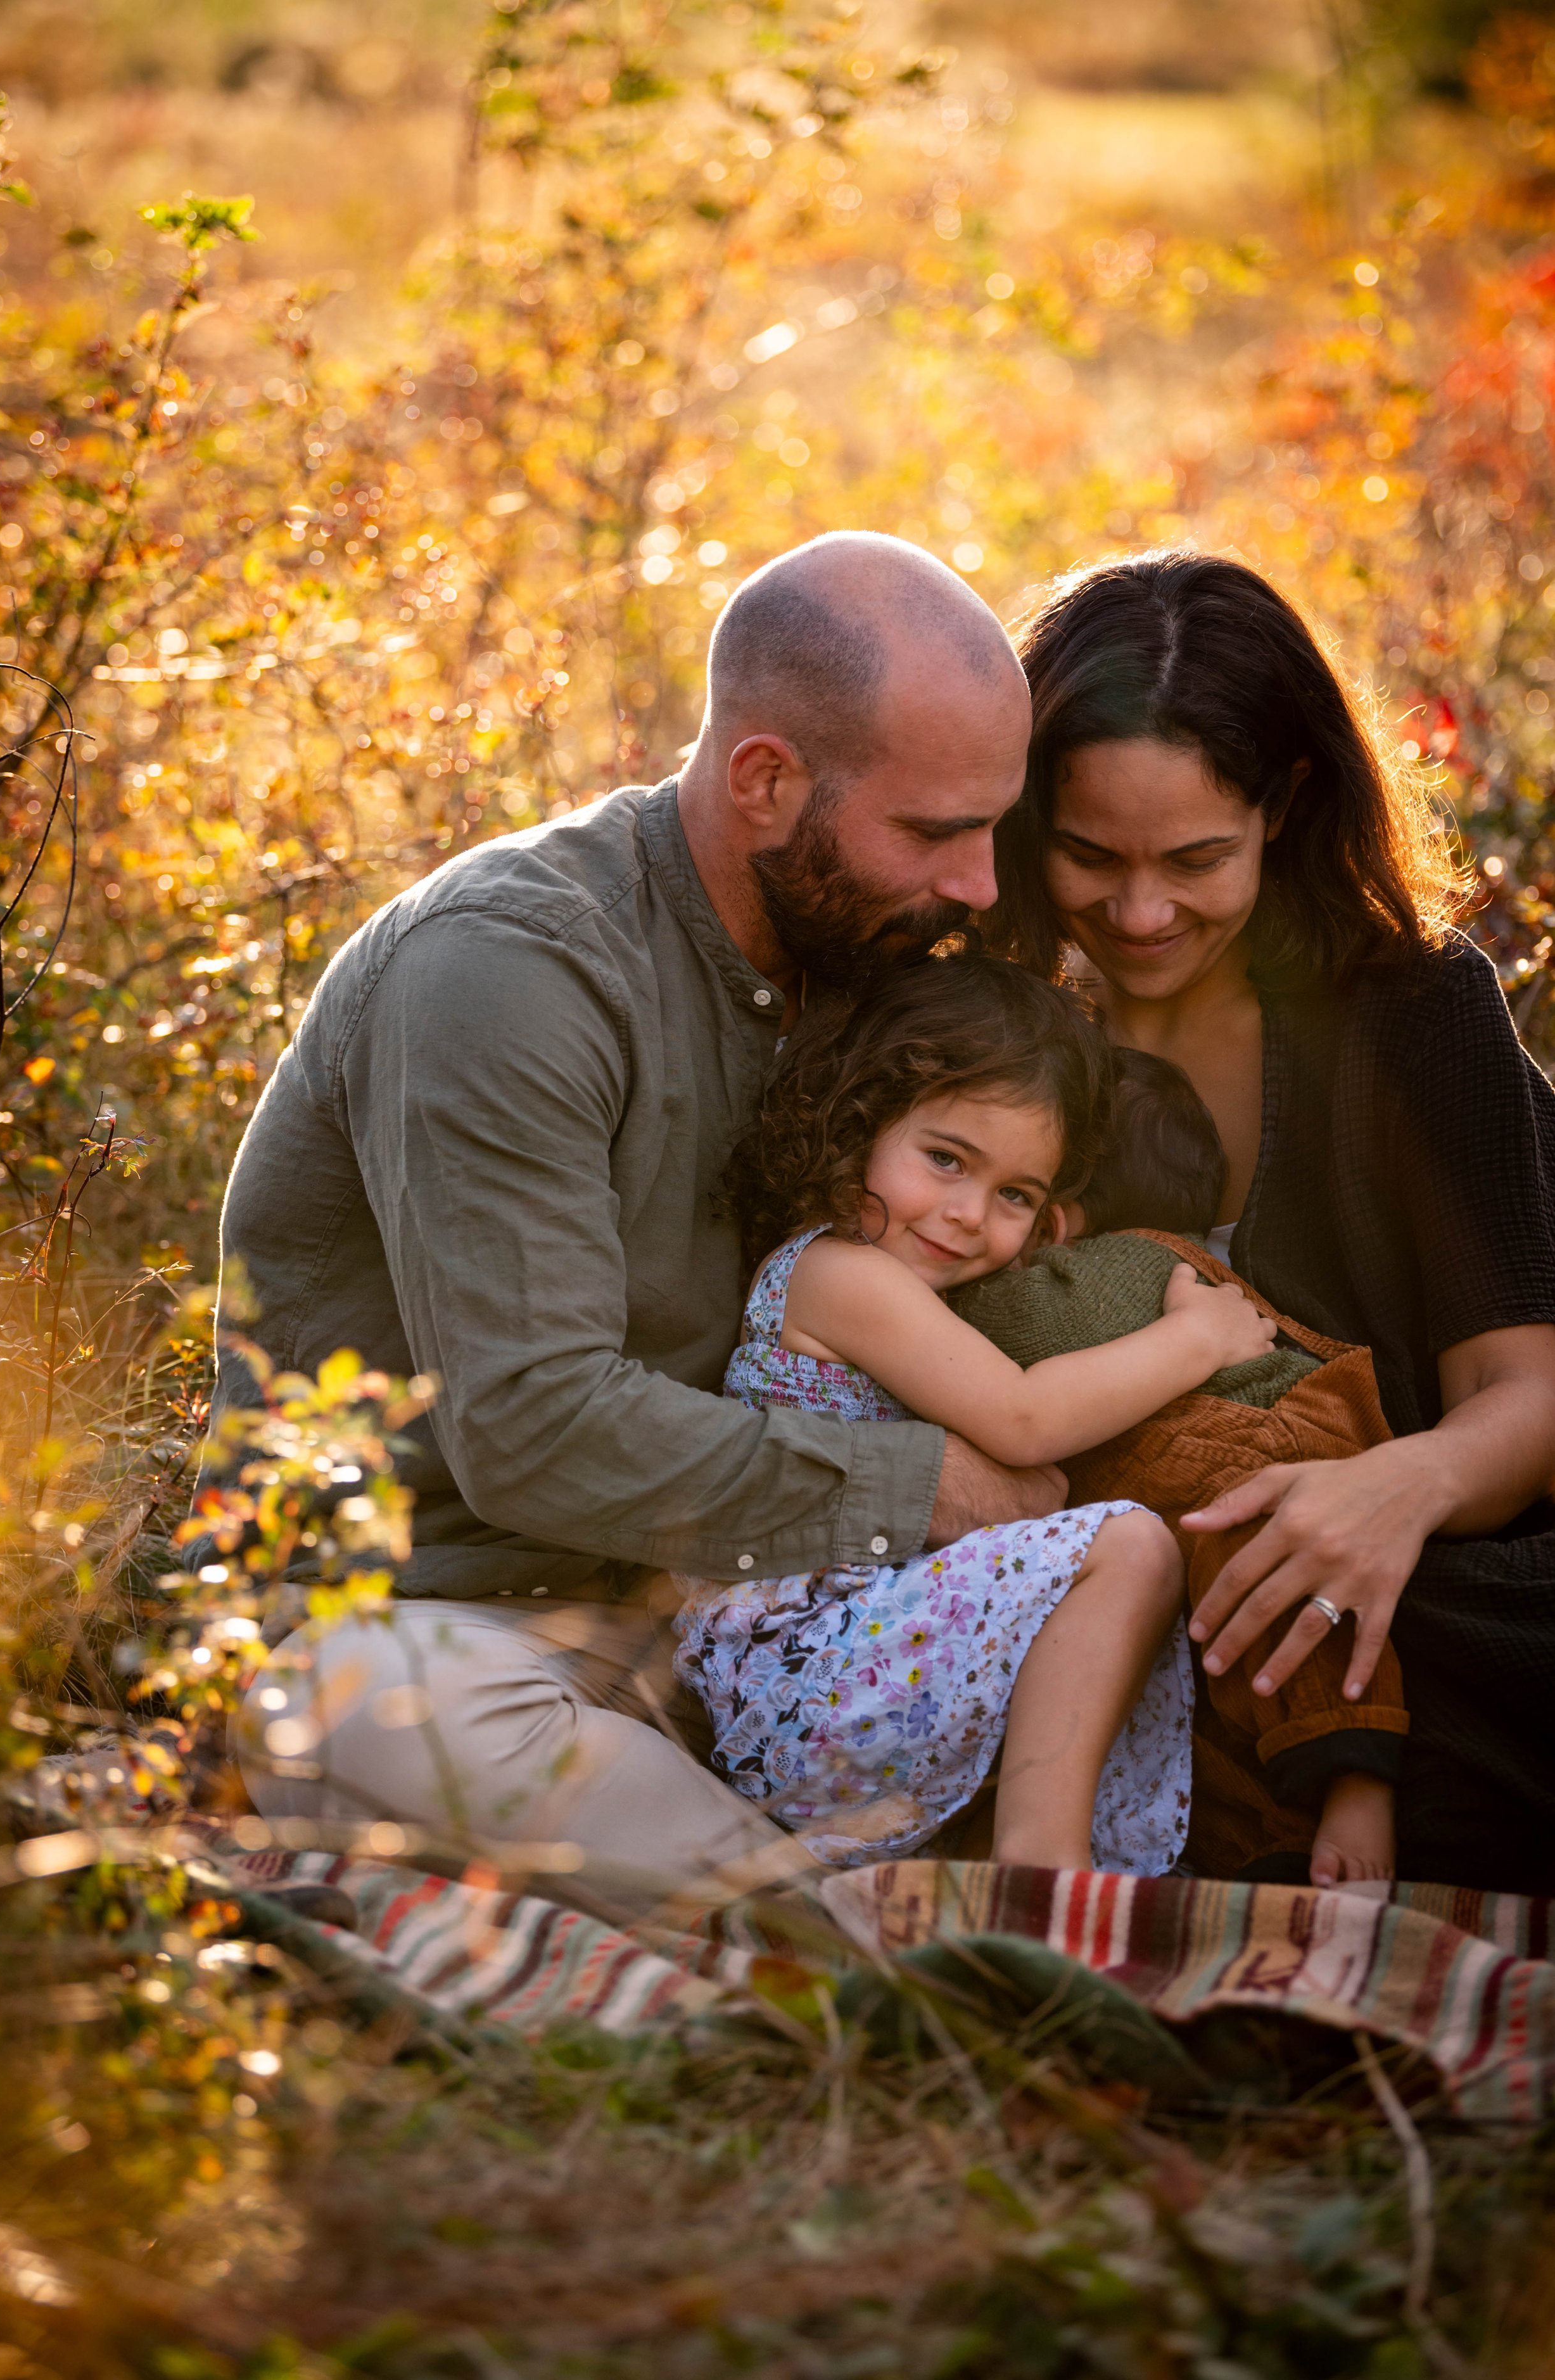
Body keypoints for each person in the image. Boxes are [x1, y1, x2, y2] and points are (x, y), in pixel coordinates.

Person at [216, 532, 1068, 1914]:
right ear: (763, 780)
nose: (978, 882)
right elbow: (534, 1427)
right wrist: (928, 1490)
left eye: (992, 825)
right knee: (376, 1698)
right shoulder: (508, 970)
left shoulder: (869, 964)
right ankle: (832, 1944)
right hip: (428, 1623)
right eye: (930, 831)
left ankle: (850, 1903)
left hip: (720, 1624)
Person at [993, 548, 1555, 1890]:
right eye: (1087, 855)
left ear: (1287, 806)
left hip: (1422, 1578)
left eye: (1194, 860)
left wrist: (1385, 1493)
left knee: (1377, 1634)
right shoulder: (989, 1026)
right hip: (1103, 1578)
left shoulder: (1409, 1010)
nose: (1137, 912)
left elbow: (1523, 1394)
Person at [675, 951, 1276, 1874]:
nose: (966, 1215)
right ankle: (1043, 1868)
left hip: (847, 1670)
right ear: (860, 1120)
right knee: (1131, 1545)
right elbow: (1026, 1420)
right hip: (801, 1683)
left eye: (1015, 1196)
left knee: (1098, 1556)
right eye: (945, 1159)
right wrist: (1196, 1339)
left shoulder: (913, 1281)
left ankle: (1017, 1850)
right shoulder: (841, 1274)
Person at [956, 1044, 1406, 1887]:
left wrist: (938, 1294)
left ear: (1059, 1218)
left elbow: (1026, 1334)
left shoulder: (1126, 1263)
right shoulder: (1164, 1258)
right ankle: (1266, 1845)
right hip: (1209, 1456)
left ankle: (1356, 1773)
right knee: (1209, 1679)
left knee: (1275, 1580)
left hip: (1248, 1441)